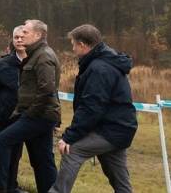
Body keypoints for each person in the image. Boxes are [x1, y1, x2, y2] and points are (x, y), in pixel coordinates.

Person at [49, 25, 137, 193]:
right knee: (121, 185)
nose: (73, 48)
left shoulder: (99, 69)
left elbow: (92, 107)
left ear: (82, 44)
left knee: (71, 150)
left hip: (111, 130)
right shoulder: (103, 62)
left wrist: (70, 136)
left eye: (73, 44)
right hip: (118, 128)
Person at [0, 20, 60, 193]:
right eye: (20, 33)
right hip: (39, 115)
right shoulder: (35, 54)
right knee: (41, 159)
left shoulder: (43, 56)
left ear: (37, 35)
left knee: (3, 140)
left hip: (39, 116)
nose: (22, 35)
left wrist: (29, 114)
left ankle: (0, 187)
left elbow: (47, 90)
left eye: (26, 32)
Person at [0, 26, 27, 193]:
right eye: (16, 37)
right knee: (3, 149)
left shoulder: (37, 62)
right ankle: (0, 184)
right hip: (6, 114)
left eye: (22, 37)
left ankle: (12, 185)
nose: (19, 40)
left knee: (17, 151)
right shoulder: (2, 64)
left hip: (28, 114)